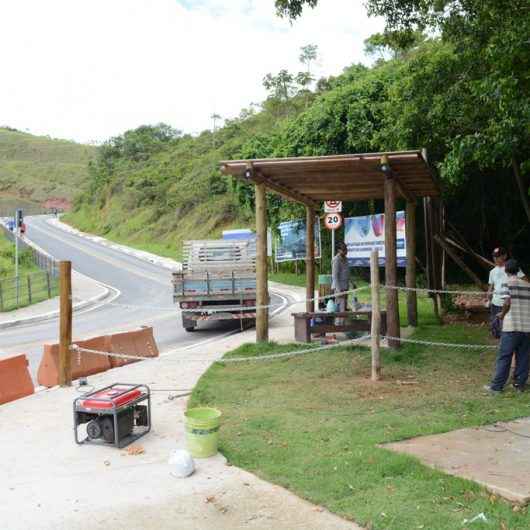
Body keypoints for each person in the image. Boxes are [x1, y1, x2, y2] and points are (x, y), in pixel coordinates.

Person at [485, 259, 530, 394]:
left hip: (511, 326)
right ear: (518, 270)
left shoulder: (507, 283)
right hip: (527, 327)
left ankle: (496, 387)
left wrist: (502, 314)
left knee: (505, 356)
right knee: (523, 357)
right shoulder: (528, 285)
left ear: (506, 270)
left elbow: (507, 302)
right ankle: (519, 385)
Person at [487, 247, 527, 338]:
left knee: (509, 331)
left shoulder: (513, 268)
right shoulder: (492, 272)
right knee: (496, 331)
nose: (495, 259)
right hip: (495, 303)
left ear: (505, 256)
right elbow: (491, 286)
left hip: (509, 304)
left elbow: (525, 282)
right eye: (494, 257)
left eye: (498, 256)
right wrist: (489, 294)